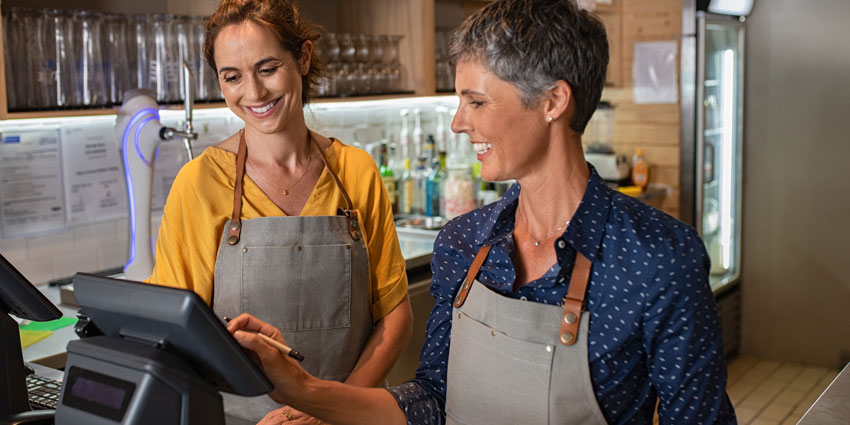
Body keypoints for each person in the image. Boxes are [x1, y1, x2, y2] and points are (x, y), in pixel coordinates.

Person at [225, 0, 737, 423]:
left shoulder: (657, 259)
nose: (457, 123)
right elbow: (432, 400)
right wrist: (304, 389)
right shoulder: (463, 245)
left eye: (476, 102)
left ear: (554, 100)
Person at [145, 0, 413, 423]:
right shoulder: (199, 183)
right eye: (232, 77)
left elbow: (395, 318)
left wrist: (330, 408)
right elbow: (176, 334)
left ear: (303, 58)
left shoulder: (356, 171)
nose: (253, 93)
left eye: (267, 69)